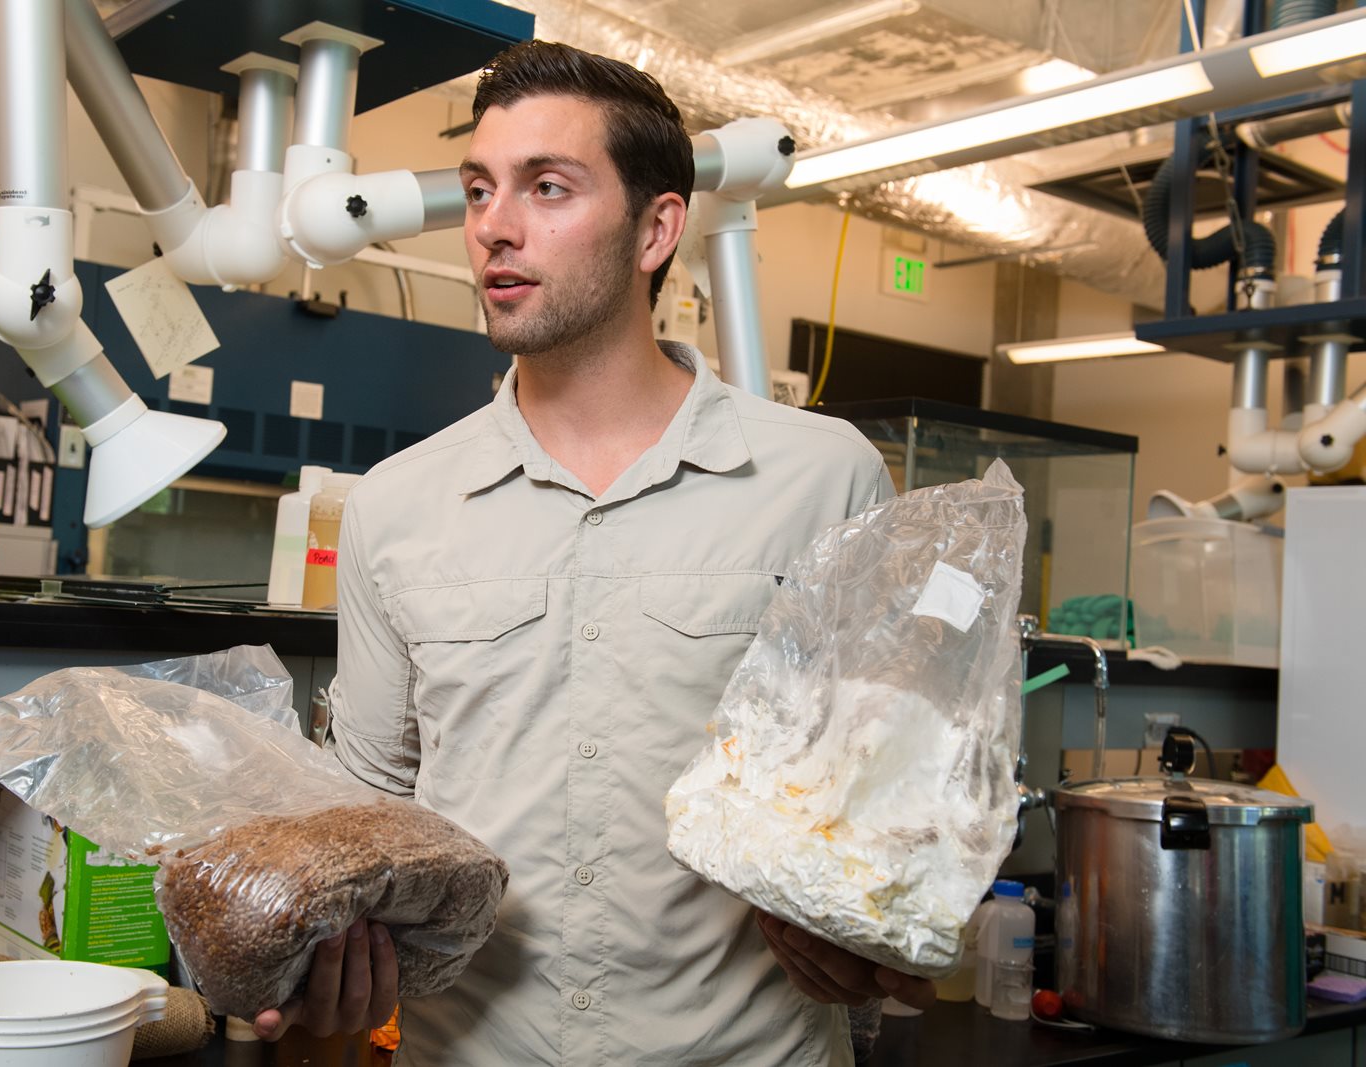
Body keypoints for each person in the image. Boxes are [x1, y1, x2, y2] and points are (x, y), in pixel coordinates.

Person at [252, 39, 935, 1064]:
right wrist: (306, 952)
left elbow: (893, 779)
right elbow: (368, 804)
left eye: (548, 187)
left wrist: (882, 915)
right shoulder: (396, 504)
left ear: (657, 227)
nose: (493, 225)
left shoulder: (821, 476)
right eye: (480, 189)